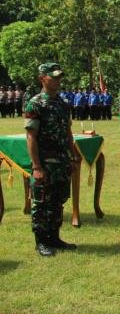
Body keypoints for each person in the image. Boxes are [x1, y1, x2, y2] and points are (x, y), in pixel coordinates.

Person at [24, 63, 81, 256]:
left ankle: (54, 238)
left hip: (61, 161)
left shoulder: (62, 103)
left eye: (59, 77)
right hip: (45, 162)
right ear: (42, 78)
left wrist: (73, 155)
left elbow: (67, 131)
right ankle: (41, 241)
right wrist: (36, 167)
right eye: (53, 77)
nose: (58, 80)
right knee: (41, 202)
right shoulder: (35, 104)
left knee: (58, 200)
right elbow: (31, 137)